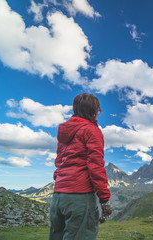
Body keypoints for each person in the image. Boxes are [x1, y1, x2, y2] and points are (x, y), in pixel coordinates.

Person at [49, 93, 111, 240]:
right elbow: (95, 166)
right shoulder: (91, 130)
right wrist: (104, 197)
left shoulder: (64, 133)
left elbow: (59, 163)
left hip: (58, 196)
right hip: (80, 197)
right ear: (94, 111)